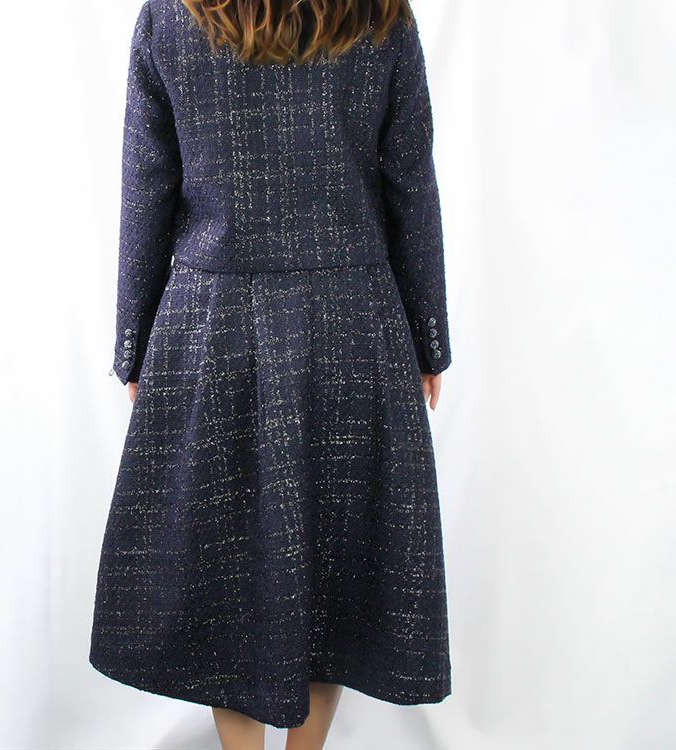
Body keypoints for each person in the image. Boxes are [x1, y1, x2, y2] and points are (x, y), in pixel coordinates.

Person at [90, 0, 454, 747]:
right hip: (354, 322)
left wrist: (136, 341)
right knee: (333, 571)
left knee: (225, 575)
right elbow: (410, 182)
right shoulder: (382, 16)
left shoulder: (170, 17)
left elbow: (147, 185)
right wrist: (427, 339)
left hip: (210, 324)